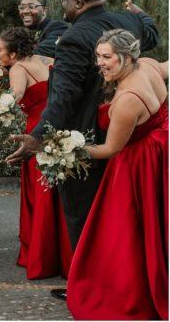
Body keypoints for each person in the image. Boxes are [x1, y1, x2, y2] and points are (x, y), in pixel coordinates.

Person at [6, 0, 159, 301]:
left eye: (64, 0)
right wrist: (142, 14)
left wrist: (36, 139)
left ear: (77, 2)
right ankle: (120, 277)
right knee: (120, 214)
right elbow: (152, 34)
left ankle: (87, 283)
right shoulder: (126, 20)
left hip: (87, 137)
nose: (63, 6)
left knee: (83, 215)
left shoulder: (75, 38)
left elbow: (63, 98)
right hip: (129, 131)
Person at [67, 30, 168, 320]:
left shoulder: (127, 100)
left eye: (107, 57)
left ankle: (128, 288)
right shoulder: (148, 65)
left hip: (137, 164)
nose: (100, 63)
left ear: (127, 57)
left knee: (124, 228)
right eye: (98, 56)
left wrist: (68, 150)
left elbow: (110, 149)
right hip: (161, 149)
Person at [0, 27, 72, 279]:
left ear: (13, 54)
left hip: (35, 132)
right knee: (56, 190)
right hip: (56, 126)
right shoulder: (42, 59)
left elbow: (15, 94)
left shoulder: (17, 69)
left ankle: (41, 255)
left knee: (39, 191)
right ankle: (63, 253)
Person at [0, 0, 70, 87]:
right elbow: (7, 53)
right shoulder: (25, 33)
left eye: (31, 6)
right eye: (22, 7)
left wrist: (0, 71)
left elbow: (38, 54)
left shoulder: (57, 27)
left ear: (44, 10)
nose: (25, 11)